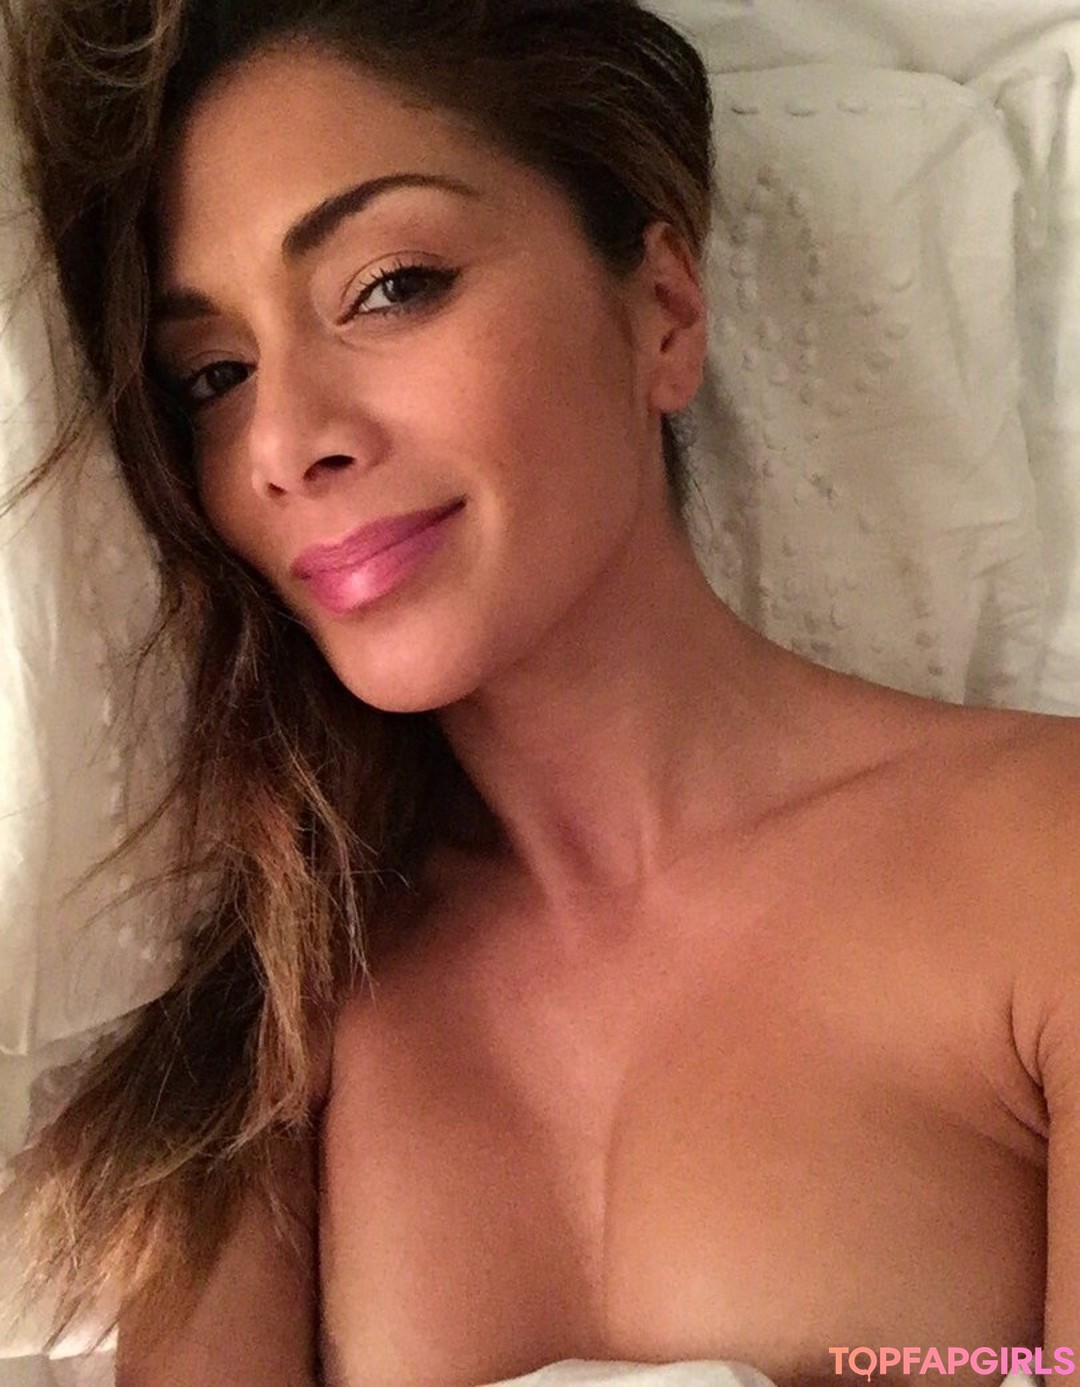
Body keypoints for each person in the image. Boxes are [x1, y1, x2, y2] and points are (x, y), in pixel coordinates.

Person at [2, 0, 1079, 1383]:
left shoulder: (1041, 858)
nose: (284, 440)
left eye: (391, 286)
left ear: (664, 312)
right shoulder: (275, 1024)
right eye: (215, 375)